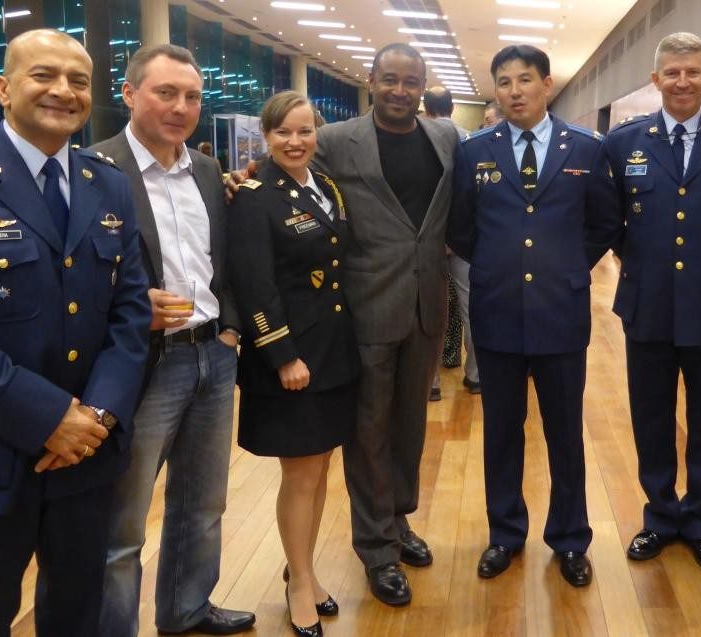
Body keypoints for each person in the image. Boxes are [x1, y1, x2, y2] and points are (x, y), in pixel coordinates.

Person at [0, 29, 151, 636]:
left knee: (76, 614)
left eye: (79, 80)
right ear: (3, 87)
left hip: (83, 458)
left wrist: (94, 417)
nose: (63, 91)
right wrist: (51, 419)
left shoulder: (108, 182)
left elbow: (131, 313)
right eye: (44, 75)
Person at [229, 42, 456, 606]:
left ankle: (398, 519)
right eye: (389, 79)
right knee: (369, 433)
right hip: (366, 307)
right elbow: (282, 171)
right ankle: (376, 547)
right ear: (372, 81)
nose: (400, 90)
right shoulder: (333, 139)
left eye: (411, 81)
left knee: (409, 427)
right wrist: (240, 179)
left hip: (428, 304)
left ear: (423, 85)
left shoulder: (446, 137)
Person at [90, 44, 253, 636]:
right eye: (165, 92)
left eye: (191, 96)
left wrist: (230, 326)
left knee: (203, 504)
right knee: (123, 524)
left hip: (213, 355)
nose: (181, 107)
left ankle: (187, 610)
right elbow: (73, 279)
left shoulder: (208, 170)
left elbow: (223, 259)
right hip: (143, 366)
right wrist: (132, 309)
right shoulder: (95, 169)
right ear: (130, 95)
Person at [447, 45, 622, 587]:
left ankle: (570, 538)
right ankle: (504, 534)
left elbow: (605, 223)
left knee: (565, 432)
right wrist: (502, 265)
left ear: (547, 85)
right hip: (497, 311)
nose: (515, 90)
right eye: (504, 82)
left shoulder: (588, 148)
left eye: (525, 79)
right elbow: (460, 227)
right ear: (494, 90)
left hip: (561, 312)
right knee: (501, 430)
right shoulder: (474, 150)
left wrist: (566, 265)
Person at [603, 32, 701, 573]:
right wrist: (646, 262)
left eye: (692, 71)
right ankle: (660, 517)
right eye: (672, 72)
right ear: (655, 80)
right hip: (647, 304)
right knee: (651, 417)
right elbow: (613, 222)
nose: (682, 81)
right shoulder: (624, 143)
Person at [228, 90, 359, 637]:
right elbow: (253, 282)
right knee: (300, 475)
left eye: (304, 131)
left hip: (332, 350)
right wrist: (282, 355)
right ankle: (300, 584)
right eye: (283, 132)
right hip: (292, 356)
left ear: (317, 135)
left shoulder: (324, 186)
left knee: (320, 465)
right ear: (265, 136)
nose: (295, 141)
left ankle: (301, 567)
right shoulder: (255, 195)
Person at [423, 86, 480, 397]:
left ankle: (430, 382)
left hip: (426, 242)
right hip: (464, 241)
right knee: (472, 310)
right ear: (453, 106)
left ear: (425, 106)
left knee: (430, 312)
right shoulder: (471, 140)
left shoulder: (415, 138)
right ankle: (474, 375)